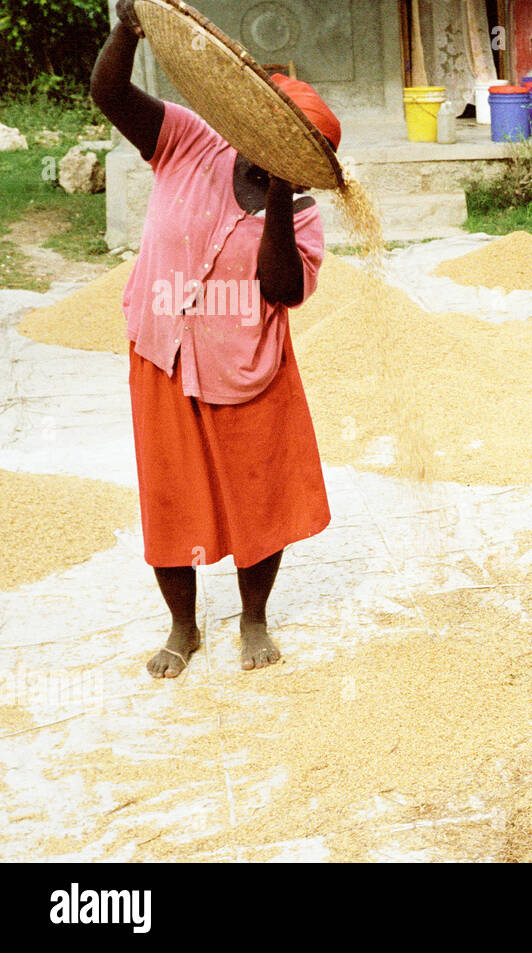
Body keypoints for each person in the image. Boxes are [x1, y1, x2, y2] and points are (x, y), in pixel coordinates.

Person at [91, 0, 334, 677]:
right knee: (171, 495)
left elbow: (282, 289)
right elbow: (109, 94)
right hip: (162, 352)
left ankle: (253, 617)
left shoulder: (305, 216)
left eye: (292, 150)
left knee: (260, 493)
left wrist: (280, 194)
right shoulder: (189, 139)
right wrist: (127, 30)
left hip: (245, 367)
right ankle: (182, 626)